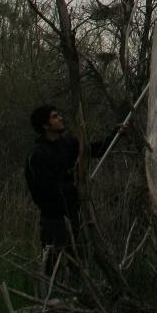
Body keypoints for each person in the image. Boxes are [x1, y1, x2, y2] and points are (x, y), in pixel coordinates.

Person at [24, 104, 123, 276]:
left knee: (79, 261)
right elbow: (44, 191)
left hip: (74, 214)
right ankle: (49, 294)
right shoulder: (38, 156)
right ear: (45, 125)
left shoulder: (68, 142)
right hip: (53, 218)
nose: (60, 118)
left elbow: (93, 150)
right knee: (52, 264)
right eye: (55, 116)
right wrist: (73, 188)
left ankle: (80, 293)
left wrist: (116, 135)